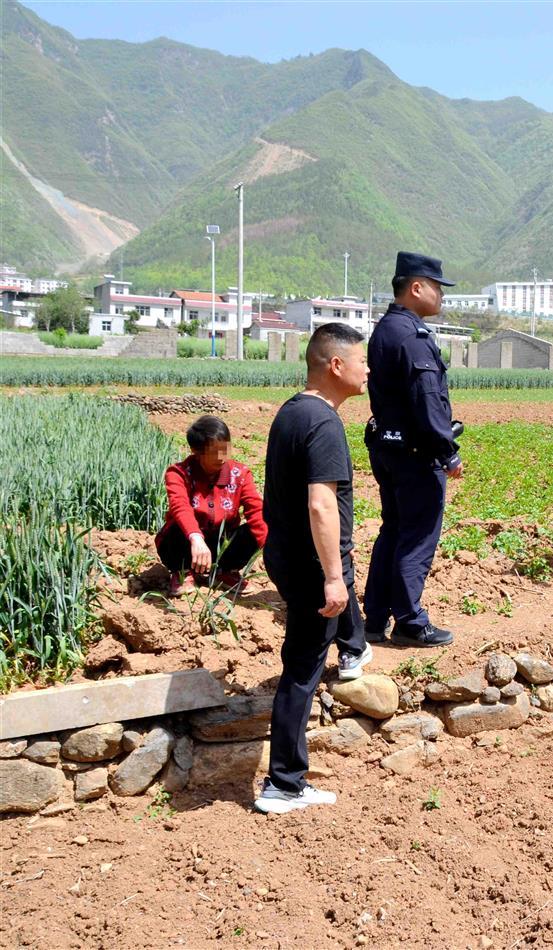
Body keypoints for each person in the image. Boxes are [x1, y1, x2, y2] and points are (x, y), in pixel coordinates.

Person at [255, 323, 372, 814]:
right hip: (310, 566)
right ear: (336, 365)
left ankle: (355, 649)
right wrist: (331, 574)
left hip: (286, 555)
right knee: (300, 672)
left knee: (320, 637)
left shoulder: (291, 412)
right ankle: (283, 783)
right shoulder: (323, 424)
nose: (369, 369)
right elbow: (321, 505)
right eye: (362, 361)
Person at [362, 252, 461, 647]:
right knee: (417, 535)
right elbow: (427, 400)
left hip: (389, 448)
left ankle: (376, 619)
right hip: (416, 454)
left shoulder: (386, 329)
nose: (441, 295)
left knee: (394, 530)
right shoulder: (411, 336)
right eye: (437, 287)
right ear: (416, 287)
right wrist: (447, 450)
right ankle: (409, 620)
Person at [155, 415, 266, 596]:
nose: (223, 457)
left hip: (221, 543)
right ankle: (183, 571)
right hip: (188, 543)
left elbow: (256, 509)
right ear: (196, 451)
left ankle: (224, 572)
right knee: (176, 528)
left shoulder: (240, 474)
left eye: (226, 449)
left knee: (254, 531)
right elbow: (179, 506)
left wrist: (269, 547)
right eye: (215, 451)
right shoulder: (179, 473)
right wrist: (195, 537)